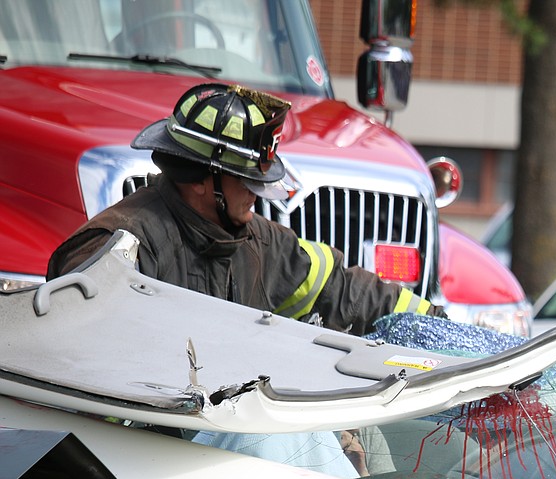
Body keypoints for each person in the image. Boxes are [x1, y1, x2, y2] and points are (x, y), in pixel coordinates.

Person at [48, 82, 441, 334]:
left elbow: (341, 288)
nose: (255, 194)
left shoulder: (253, 242)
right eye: (245, 181)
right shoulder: (120, 249)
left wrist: (436, 326)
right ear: (200, 178)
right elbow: (76, 358)